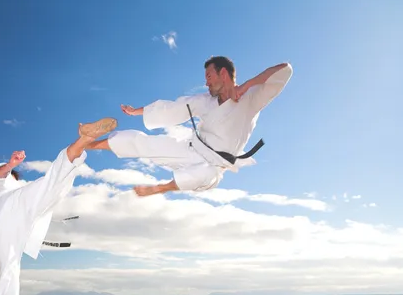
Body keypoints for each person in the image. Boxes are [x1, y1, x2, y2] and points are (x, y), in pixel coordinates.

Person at [0, 117, 117, 295]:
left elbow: (7, 186)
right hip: (7, 214)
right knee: (50, 183)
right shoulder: (1, 187)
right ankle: (82, 142)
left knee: (9, 277)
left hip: (1, 234)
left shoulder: (1, 194)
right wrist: (10, 164)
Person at [85, 56, 293, 197]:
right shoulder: (205, 100)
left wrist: (247, 85)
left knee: (205, 175)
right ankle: (89, 143)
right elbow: (172, 108)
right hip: (191, 147)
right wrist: (135, 111)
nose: (207, 83)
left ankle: (160, 189)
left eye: (209, 77)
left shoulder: (251, 98)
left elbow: (285, 69)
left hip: (215, 165)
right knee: (145, 143)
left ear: (223, 73)